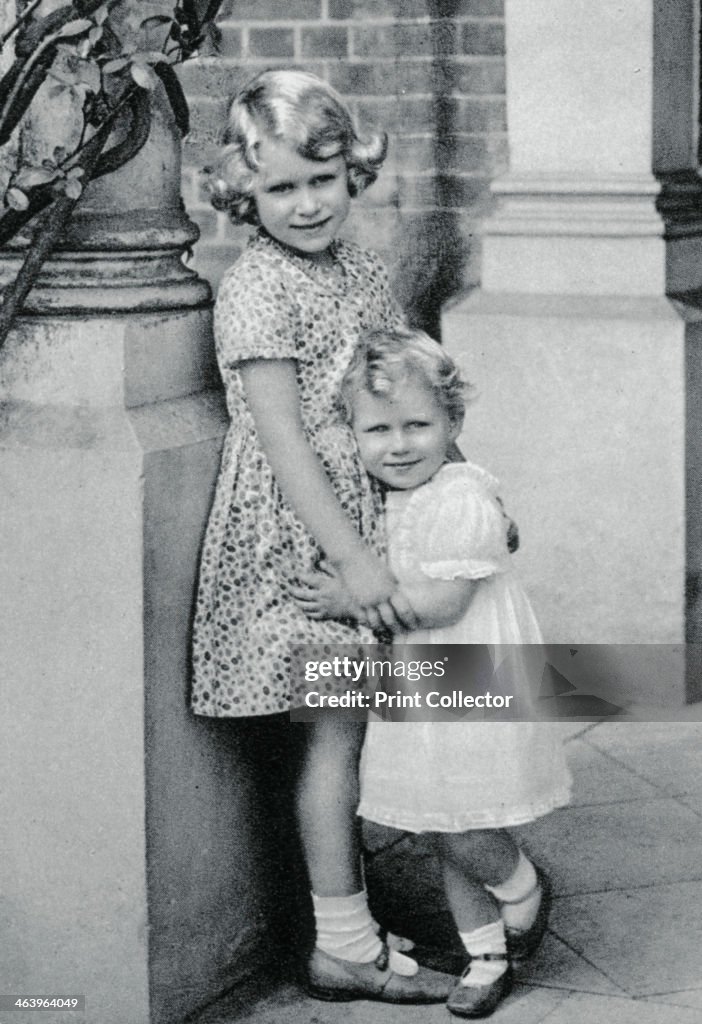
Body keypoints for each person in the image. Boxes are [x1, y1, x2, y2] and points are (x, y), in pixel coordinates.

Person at [190, 69, 456, 1003]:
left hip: (370, 515)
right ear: (243, 193)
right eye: (280, 188)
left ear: (352, 174)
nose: (305, 204)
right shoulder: (256, 289)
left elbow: (404, 394)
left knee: (409, 707)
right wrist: (351, 557)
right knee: (335, 730)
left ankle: (458, 882)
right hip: (299, 540)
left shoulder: (361, 270)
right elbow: (281, 438)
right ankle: (342, 939)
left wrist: (459, 486)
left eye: (322, 178)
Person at [294, 326, 572, 1018]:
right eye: (379, 429)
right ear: (352, 434)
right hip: (421, 689)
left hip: (469, 678)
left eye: (419, 425)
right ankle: (484, 955)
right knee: (439, 817)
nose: (400, 444)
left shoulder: (461, 498)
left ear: (453, 423)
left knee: (464, 821)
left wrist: (348, 596)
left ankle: (521, 891)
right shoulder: (386, 494)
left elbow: (446, 602)